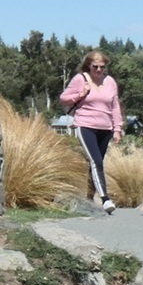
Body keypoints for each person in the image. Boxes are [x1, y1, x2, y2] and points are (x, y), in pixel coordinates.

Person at [58, 51, 122, 214]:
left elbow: (115, 106)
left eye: (102, 67)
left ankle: (88, 197)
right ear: (88, 66)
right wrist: (81, 94)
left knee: (96, 163)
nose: (99, 70)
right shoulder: (81, 79)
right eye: (95, 67)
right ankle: (105, 199)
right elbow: (64, 98)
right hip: (85, 125)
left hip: (105, 128)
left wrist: (117, 129)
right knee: (96, 161)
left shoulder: (110, 82)